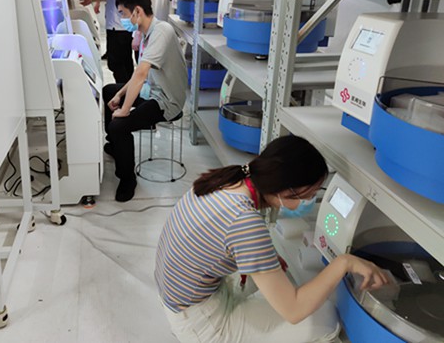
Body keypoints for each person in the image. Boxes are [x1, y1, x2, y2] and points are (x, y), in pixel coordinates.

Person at [155, 135, 389, 343]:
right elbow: (294, 310)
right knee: (326, 318)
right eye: (309, 194)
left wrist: (264, 257)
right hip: (202, 324)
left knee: (285, 285)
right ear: (286, 190)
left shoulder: (229, 179)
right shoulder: (244, 221)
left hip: (183, 299)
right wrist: (344, 262)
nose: (309, 200)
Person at [103, 0, 187, 202]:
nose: (122, 19)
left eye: (123, 13)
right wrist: (119, 95)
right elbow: (139, 74)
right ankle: (115, 145)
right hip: (153, 91)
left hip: (167, 101)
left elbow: (141, 73)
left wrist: (124, 110)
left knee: (119, 125)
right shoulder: (147, 33)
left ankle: (127, 179)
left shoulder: (162, 31)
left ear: (137, 11)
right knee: (109, 91)